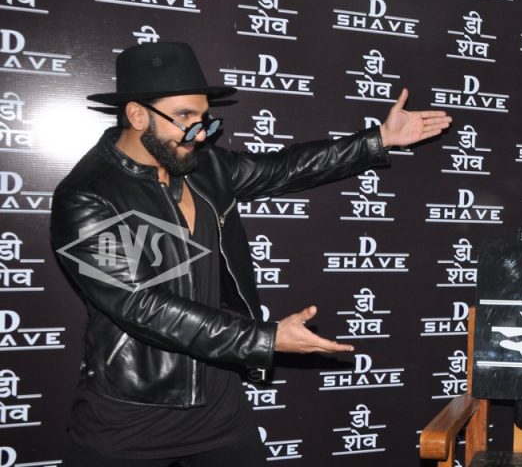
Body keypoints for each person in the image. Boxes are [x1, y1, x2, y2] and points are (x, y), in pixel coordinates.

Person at [50, 42, 451, 466]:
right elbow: (143, 306)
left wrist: (379, 139)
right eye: (184, 118)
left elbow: (283, 168)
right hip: (131, 416)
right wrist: (265, 339)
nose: (200, 134)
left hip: (221, 410)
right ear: (136, 115)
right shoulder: (89, 197)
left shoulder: (203, 166)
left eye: (204, 119)